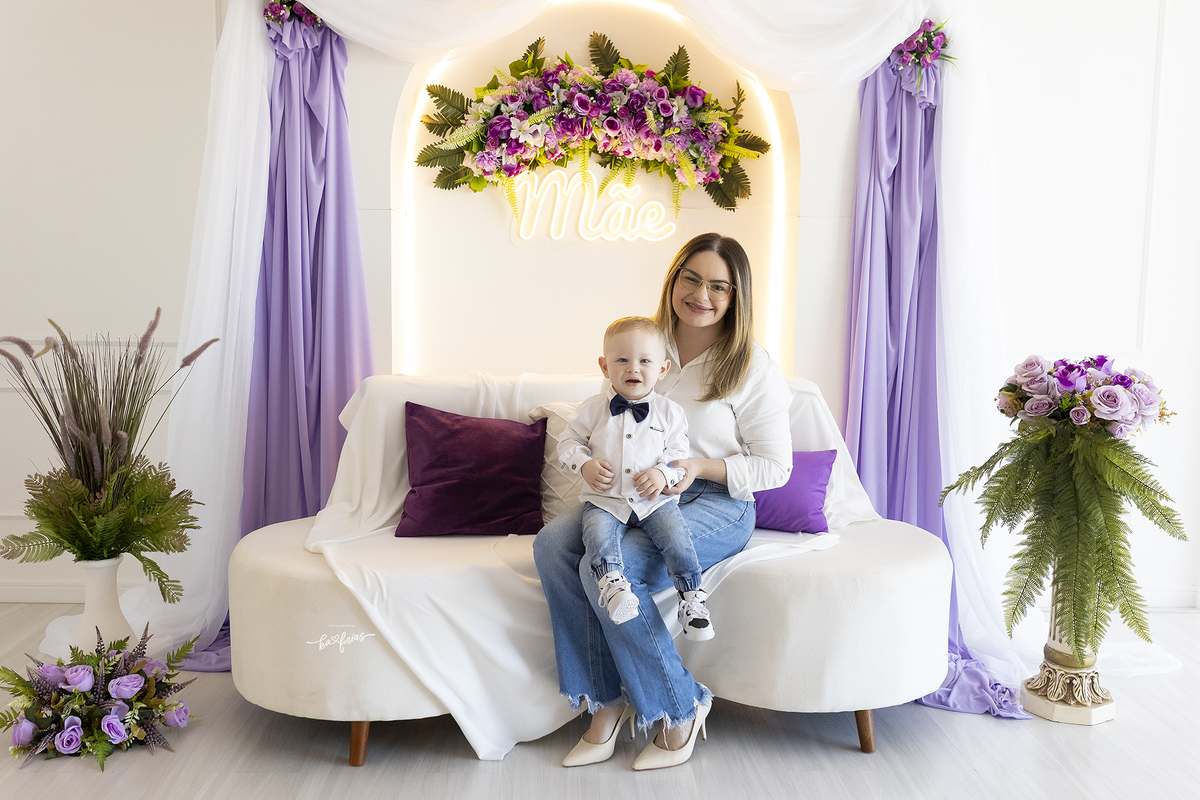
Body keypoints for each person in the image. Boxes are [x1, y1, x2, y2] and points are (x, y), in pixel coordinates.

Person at [533, 233, 794, 770]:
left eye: (719, 286)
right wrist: (593, 464)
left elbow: (775, 467)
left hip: (714, 500)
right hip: (631, 494)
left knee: (613, 568)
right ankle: (604, 705)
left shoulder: (752, 366)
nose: (702, 294)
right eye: (692, 278)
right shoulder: (642, 341)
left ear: (737, 296)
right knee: (553, 547)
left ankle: (679, 708)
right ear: (674, 279)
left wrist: (696, 467)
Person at [559, 316, 714, 640]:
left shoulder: (670, 412)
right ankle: (614, 587)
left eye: (645, 361)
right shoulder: (591, 409)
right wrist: (584, 464)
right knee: (597, 535)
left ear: (662, 369)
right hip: (606, 501)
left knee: (677, 538)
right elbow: (568, 444)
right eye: (622, 360)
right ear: (604, 366)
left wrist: (662, 473)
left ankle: (692, 599)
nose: (633, 368)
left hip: (654, 502)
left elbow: (678, 456)